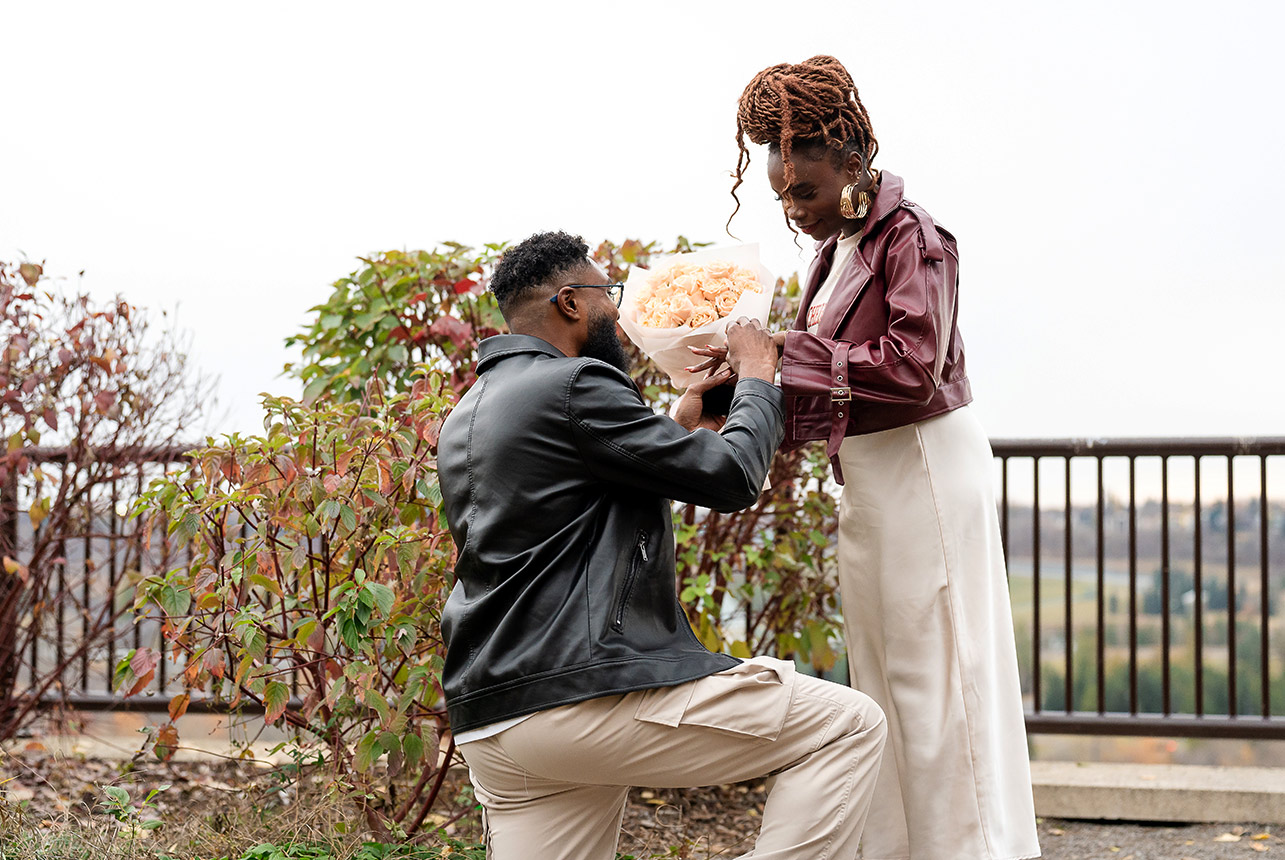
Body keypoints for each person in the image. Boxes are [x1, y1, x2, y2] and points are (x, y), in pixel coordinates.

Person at [436, 231, 886, 860]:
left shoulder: (471, 410)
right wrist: (759, 376)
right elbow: (732, 478)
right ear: (569, 302)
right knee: (847, 724)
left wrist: (677, 428)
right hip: (577, 700)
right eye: (607, 295)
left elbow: (575, 509)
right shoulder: (574, 384)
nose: (618, 314)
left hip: (495, 717)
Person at [700, 56, 1042, 860]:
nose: (792, 209)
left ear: (851, 161)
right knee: (885, 683)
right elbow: (825, 382)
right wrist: (731, 393)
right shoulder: (835, 251)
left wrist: (780, 351)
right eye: (781, 192)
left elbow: (913, 367)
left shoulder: (912, 237)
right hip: (871, 476)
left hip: (922, 465)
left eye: (803, 190)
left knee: (941, 683)